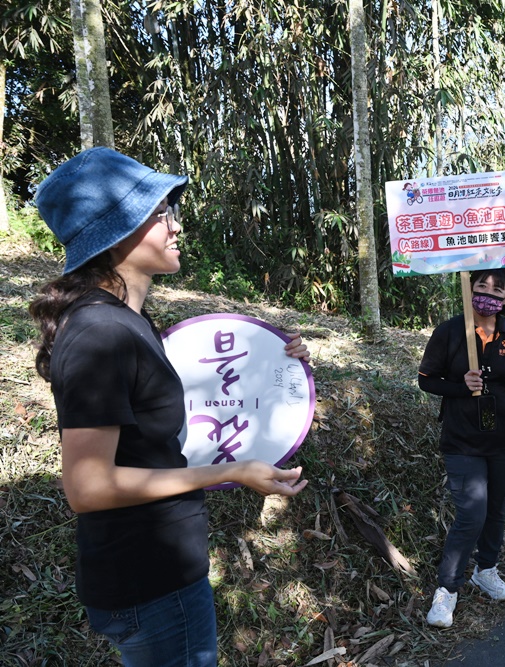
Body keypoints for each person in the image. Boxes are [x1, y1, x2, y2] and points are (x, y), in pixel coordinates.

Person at [28, 147, 310, 666]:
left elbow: (183, 406)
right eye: (160, 215)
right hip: (149, 581)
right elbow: (87, 487)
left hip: (155, 576)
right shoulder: (101, 332)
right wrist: (228, 471)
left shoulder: (124, 322)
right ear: (116, 233)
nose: (176, 226)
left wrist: (283, 362)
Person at [418, 268, 505, 629]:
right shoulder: (450, 331)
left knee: (496, 509)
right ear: (469, 289)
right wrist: (460, 385)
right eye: (481, 285)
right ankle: (447, 588)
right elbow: (426, 380)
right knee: (472, 513)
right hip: (462, 440)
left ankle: (486, 570)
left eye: (497, 288)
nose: (488, 292)